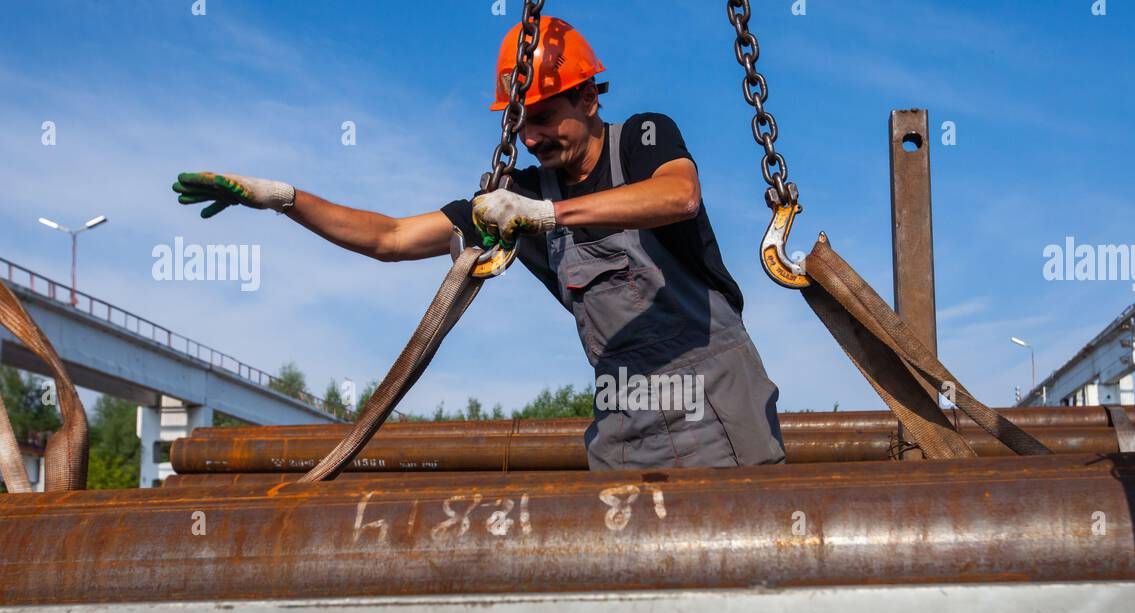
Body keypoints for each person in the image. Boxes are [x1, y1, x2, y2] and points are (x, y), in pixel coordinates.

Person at [171, 16, 786, 471]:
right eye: (522, 124)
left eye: (546, 115)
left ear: (591, 96)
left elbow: (678, 197)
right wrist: (281, 197)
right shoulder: (513, 195)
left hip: (715, 398)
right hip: (624, 417)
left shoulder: (644, 139)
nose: (534, 136)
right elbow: (390, 237)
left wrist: (547, 214)